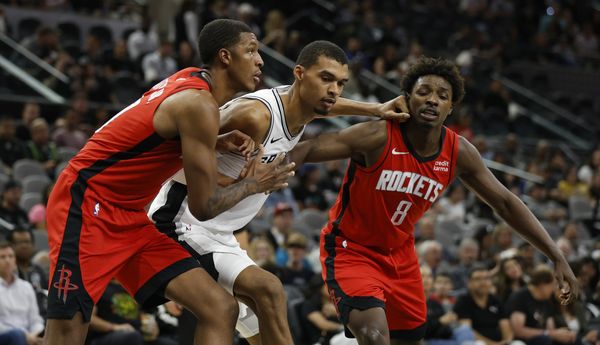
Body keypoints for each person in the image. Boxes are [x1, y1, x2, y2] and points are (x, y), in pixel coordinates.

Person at [289, 57, 578, 345]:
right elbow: (311, 147)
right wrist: (260, 178)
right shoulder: (378, 135)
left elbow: (505, 202)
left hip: (401, 256)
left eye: (443, 96)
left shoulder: (458, 151)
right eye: (424, 92)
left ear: (451, 107)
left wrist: (556, 255)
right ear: (406, 99)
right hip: (352, 250)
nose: (432, 100)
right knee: (375, 337)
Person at [43, 19, 295, 345]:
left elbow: (154, 127)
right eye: (250, 50)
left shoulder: (193, 82)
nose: (260, 60)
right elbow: (204, 207)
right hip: (86, 204)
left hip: (131, 216)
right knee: (68, 330)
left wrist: (214, 140)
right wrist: (255, 184)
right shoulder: (199, 104)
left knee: (219, 308)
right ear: (224, 57)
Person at [148, 40, 409, 344]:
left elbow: (326, 106)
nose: (334, 90)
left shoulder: (302, 107)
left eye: (341, 83)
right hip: (180, 221)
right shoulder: (255, 115)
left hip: (219, 233)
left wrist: (375, 109)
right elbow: (174, 150)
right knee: (268, 289)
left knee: (261, 320)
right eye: (326, 79)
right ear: (298, 73)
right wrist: (235, 183)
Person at [454, 265, 513, 345]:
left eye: (486, 278)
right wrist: (492, 344)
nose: (483, 282)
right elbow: (467, 332)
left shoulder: (496, 300)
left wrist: (507, 341)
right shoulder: (463, 301)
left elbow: (506, 326)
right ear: (469, 283)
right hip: (477, 342)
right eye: (477, 279)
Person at [0, 242, 44, 345]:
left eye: (11, 256)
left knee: (50, 331)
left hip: (29, 336)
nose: (7, 260)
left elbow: (35, 320)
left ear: (15, 260)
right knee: (17, 335)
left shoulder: (26, 287)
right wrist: (25, 336)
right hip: (5, 336)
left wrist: (36, 334)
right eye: (2, 257)